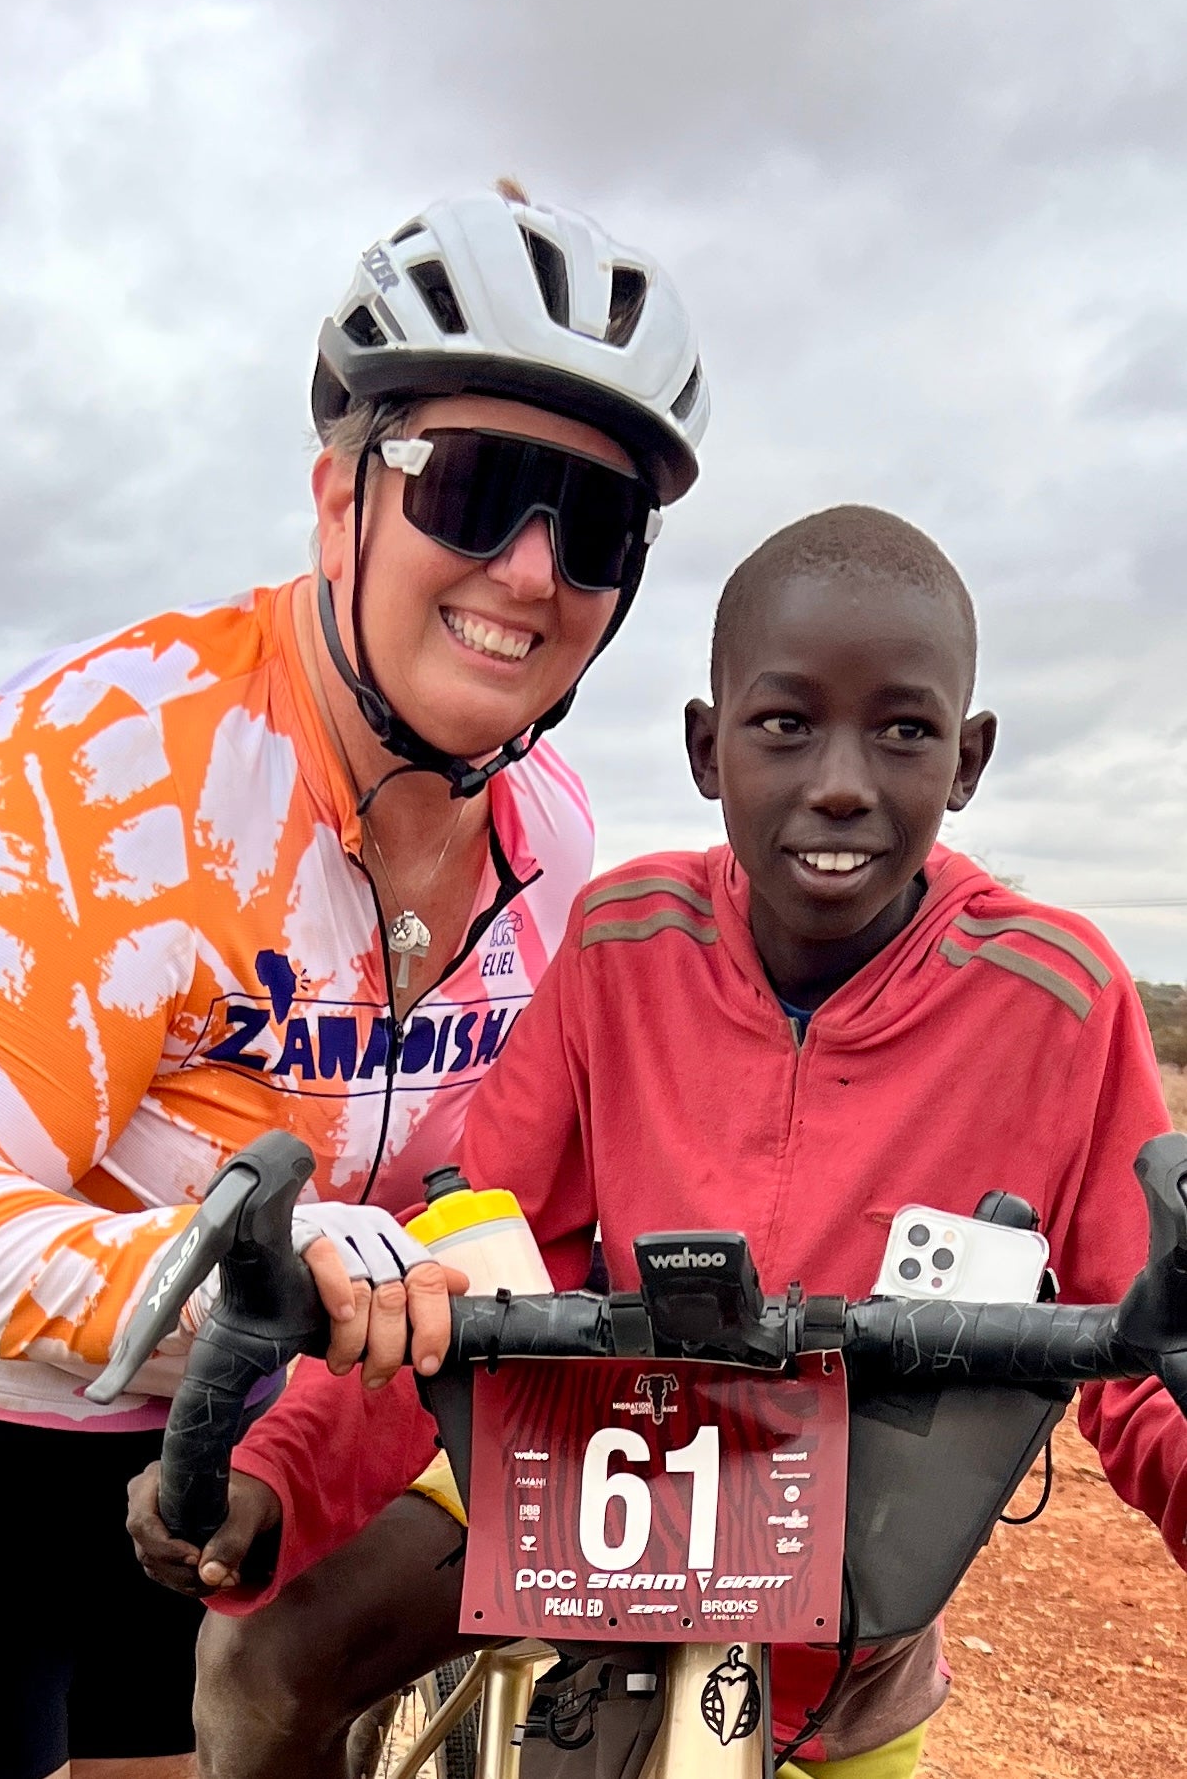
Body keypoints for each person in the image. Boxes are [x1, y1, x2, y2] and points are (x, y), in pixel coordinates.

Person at [0, 183, 710, 1779]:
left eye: (593, 528)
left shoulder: (553, 841)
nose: (528, 571)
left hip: (182, 1442)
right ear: (337, 501)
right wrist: (239, 1264)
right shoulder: (109, 770)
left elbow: (487, 1176)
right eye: (471, 487)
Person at [145, 505, 1187, 1778]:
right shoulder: (625, 937)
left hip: (850, 1607)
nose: (842, 777)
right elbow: (465, 1252)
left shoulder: (1054, 995)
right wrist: (275, 1477)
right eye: (783, 723)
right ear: (707, 746)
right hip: (571, 1483)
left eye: (903, 729)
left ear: (965, 759)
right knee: (256, 1668)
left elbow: (1143, 1342)